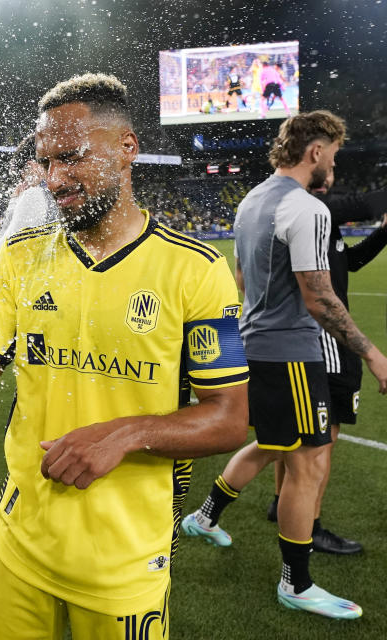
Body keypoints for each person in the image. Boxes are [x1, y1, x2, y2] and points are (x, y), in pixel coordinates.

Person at [0, 73, 249, 640]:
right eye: (45, 164)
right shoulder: (21, 258)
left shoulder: (196, 269)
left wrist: (126, 434)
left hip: (125, 559)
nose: (54, 179)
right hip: (19, 540)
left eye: (70, 159)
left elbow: (228, 418)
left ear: (126, 148)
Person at [182, 111, 387, 620]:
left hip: (257, 345)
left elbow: (242, 278)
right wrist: (373, 353)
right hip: (293, 352)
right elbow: (319, 299)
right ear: (315, 151)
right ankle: (296, 583)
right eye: (334, 154)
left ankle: (205, 518)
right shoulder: (305, 208)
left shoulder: (253, 199)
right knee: (309, 462)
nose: (334, 164)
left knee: (275, 443)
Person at [262, 172, 387, 553]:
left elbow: (349, 262)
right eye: (330, 166)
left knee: (298, 438)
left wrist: (384, 233)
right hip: (324, 339)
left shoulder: (312, 217)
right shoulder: (310, 208)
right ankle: (310, 525)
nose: (333, 177)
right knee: (322, 440)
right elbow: (364, 204)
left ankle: (281, 502)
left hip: (302, 338)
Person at [0, 134, 59, 273]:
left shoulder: (34, 195)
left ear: (30, 167)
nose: (21, 184)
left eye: (20, 177)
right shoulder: (68, 195)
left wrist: (13, 206)